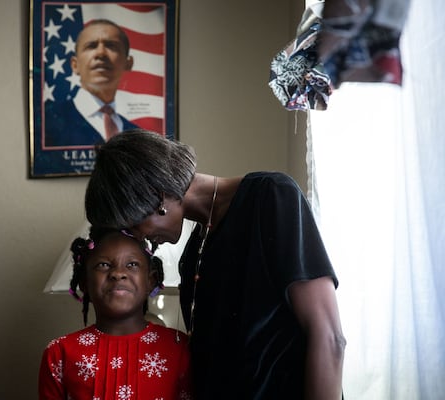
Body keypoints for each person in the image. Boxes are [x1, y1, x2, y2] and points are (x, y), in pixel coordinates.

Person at [84, 129, 347, 399]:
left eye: (133, 224)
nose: (139, 238)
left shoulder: (271, 197)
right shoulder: (193, 254)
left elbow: (329, 337)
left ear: (158, 197)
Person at [38, 227, 193, 400]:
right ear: (84, 283)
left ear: (151, 280)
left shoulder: (181, 348)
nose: (118, 273)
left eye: (132, 264)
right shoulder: (59, 352)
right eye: (103, 265)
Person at [45, 19, 139, 147]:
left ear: (128, 63)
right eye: (91, 46)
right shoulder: (48, 122)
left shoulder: (137, 136)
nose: (101, 53)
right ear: (75, 65)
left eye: (111, 46)